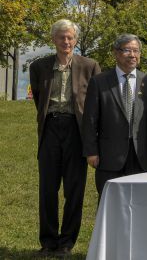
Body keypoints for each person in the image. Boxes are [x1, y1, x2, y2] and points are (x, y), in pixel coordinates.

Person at [29, 19, 101, 257]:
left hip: (76, 130)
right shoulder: (40, 66)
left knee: (75, 188)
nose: (66, 41)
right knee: (48, 188)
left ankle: (67, 242)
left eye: (70, 37)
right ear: (54, 40)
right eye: (61, 37)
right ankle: (48, 241)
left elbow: (95, 103)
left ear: (76, 40)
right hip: (50, 128)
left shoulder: (90, 65)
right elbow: (39, 98)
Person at [82, 34, 147, 199]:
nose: (132, 55)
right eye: (127, 50)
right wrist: (91, 151)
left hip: (141, 157)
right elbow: (90, 119)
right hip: (108, 157)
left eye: (136, 50)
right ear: (116, 53)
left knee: (139, 204)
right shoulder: (99, 82)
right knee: (109, 204)